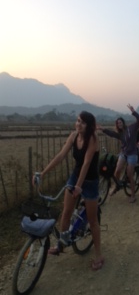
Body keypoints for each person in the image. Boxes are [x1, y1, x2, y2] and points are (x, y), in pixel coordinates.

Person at [33, 111, 104, 270]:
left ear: (89, 126)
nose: (79, 124)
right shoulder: (73, 136)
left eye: (83, 122)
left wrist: (79, 186)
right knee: (66, 213)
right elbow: (60, 156)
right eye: (78, 120)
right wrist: (43, 173)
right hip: (75, 176)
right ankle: (61, 245)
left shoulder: (92, 138)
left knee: (93, 221)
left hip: (90, 181)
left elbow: (86, 163)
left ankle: (99, 254)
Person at [97, 104, 139, 203]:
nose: (119, 124)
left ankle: (133, 195)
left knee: (130, 174)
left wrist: (133, 111)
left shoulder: (132, 128)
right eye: (117, 123)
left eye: (120, 122)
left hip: (132, 154)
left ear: (123, 122)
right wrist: (102, 129)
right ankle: (116, 186)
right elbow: (112, 134)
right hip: (124, 153)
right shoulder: (120, 134)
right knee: (117, 170)